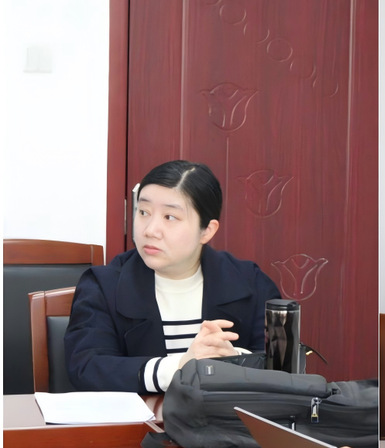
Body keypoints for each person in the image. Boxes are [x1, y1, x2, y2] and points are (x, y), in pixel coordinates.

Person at [65, 160, 280, 392]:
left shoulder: (251, 283)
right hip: (140, 416)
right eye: (143, 212)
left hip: (226, 416)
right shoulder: (102, 285)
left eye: (169, 217)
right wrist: (179, 368)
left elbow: (282, 364)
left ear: (207, 231)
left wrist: (234, 361)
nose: (150, 230)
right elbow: (87, 368)